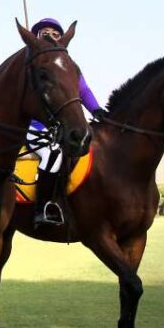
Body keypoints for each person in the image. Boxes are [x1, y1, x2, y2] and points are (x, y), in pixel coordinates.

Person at [25, 18, 104, 228]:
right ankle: (43, 207)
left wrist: (96, 109)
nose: (50, 35)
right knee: (52, 153)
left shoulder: (67, 65)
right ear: (35, 37)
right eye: (45, 32)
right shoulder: (32, 62)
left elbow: (83, 90)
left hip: (61, 126)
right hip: (35, 125)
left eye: (55, 32)